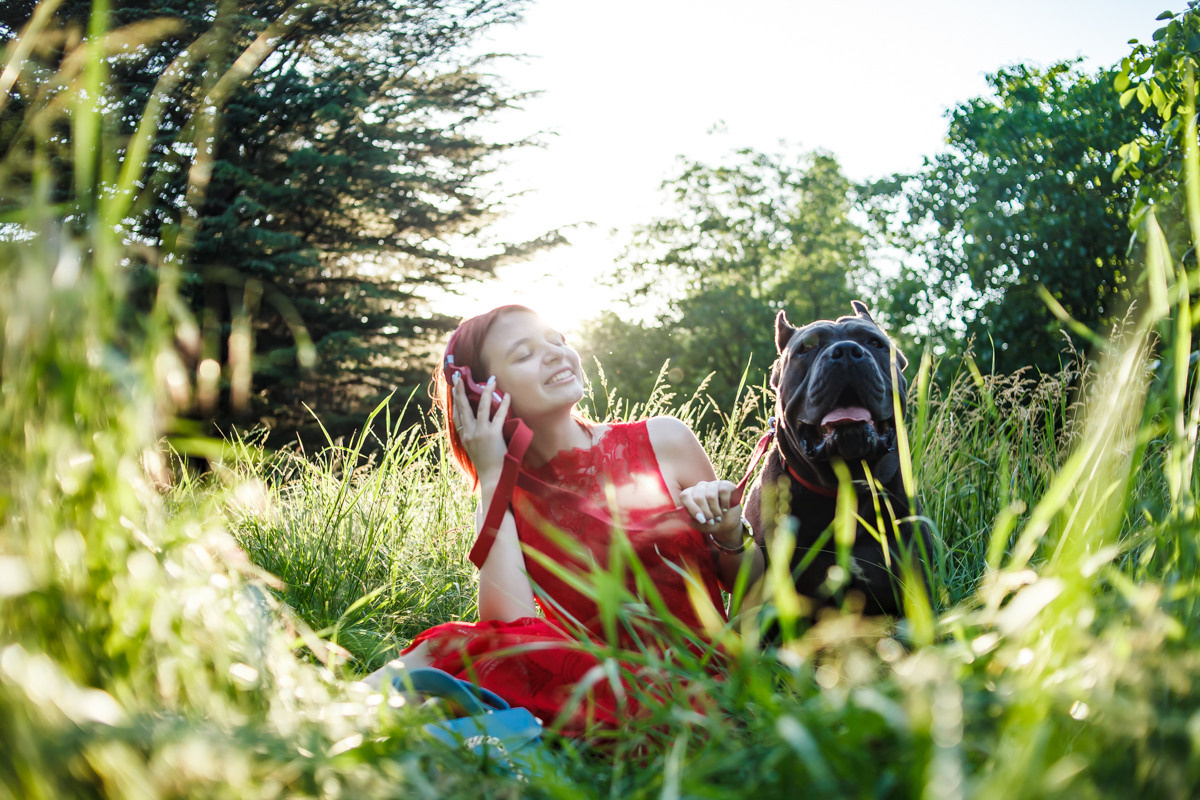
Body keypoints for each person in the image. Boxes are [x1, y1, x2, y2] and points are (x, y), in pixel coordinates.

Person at [365, 305, 764, 735]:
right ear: (483, 393)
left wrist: (728, 532)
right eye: (525, 354)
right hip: (593, 686)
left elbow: (756, 586)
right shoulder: (507, 493)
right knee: (447, 646)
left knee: (447, 662)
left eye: (558, 341)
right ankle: (331, 722)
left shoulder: (666, 439)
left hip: (701, 684)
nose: (557, 354)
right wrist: (493, 477)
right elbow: (508, 630)